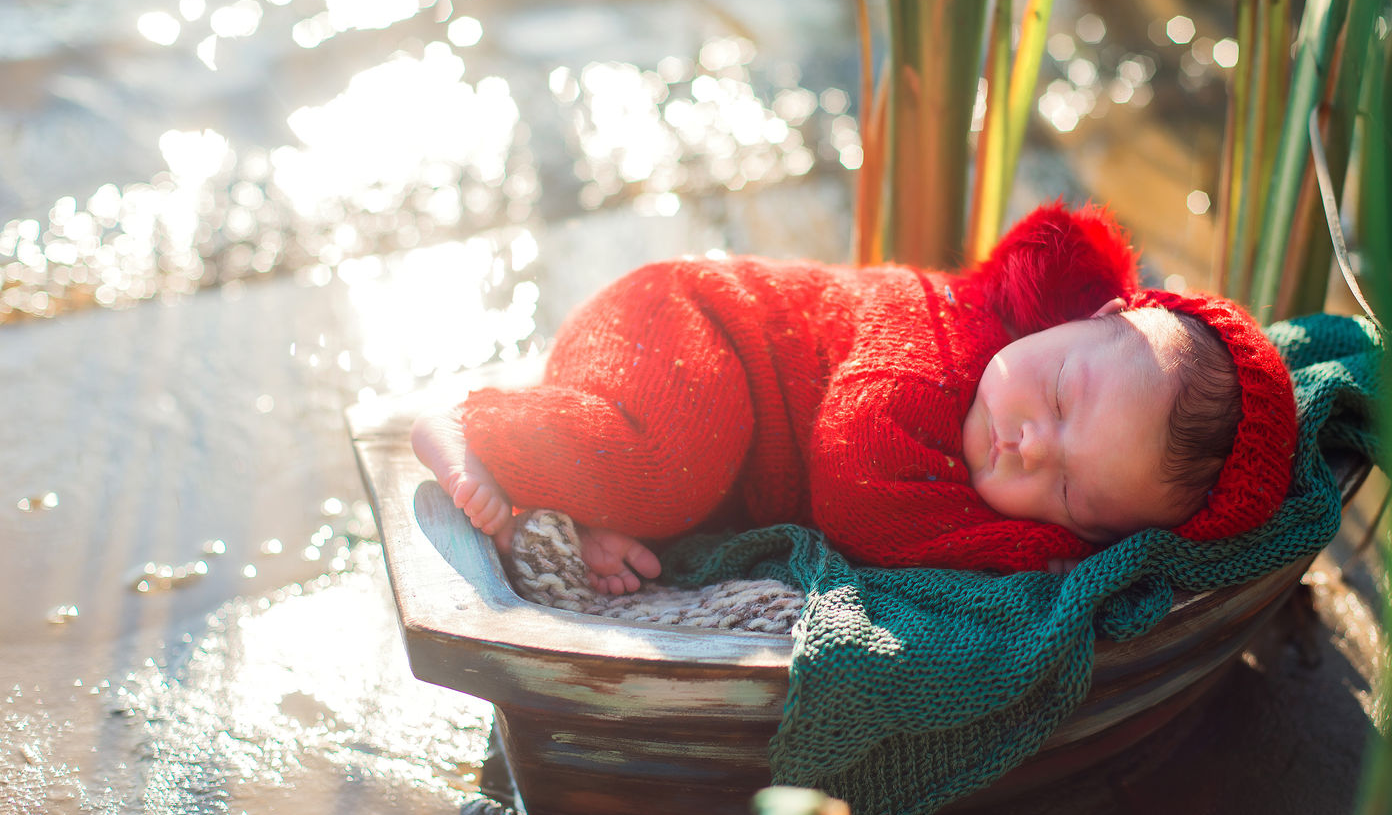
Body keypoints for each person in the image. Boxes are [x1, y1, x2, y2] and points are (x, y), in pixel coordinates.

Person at [411, 202, 1298, 594]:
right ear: (1096, 313)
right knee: (671, 464)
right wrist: (1031, 543)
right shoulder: (938, 348)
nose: (1029, 443)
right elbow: (855, 488)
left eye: (1068, 494)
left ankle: (589, 485)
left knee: (674, 495)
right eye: (1062, 398)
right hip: (683, 326)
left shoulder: (1018, 408)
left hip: (715, 417)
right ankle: (473, 425)